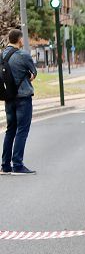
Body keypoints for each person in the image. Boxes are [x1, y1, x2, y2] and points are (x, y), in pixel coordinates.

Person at [1, 29, 38, 175]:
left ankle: (5, 166)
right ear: (19, 39)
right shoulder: (23, 55)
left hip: (8, 98)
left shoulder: (2, 55)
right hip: (23, 98)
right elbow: (33, 73)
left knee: (10, 130)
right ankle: (17, 165)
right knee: (22, 131)